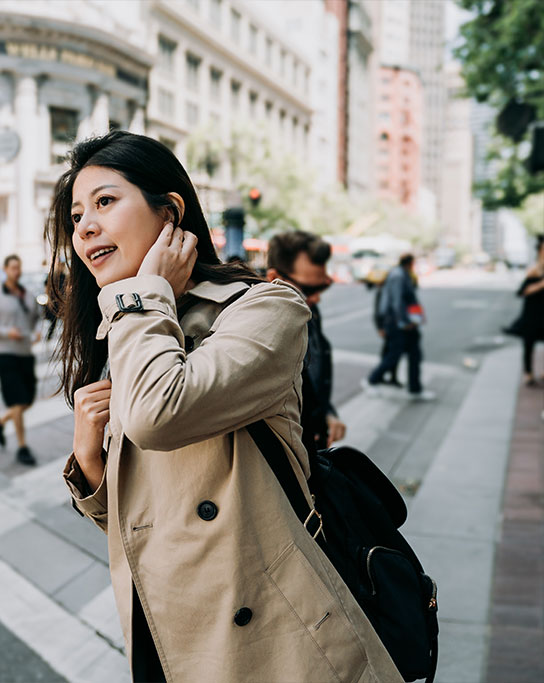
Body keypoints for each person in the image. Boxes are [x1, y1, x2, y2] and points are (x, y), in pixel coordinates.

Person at [52, 131, 402, 682]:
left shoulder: (263, 308)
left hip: (272, 643)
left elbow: (157, 416)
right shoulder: (130, 327)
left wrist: (142, 297)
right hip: (164, 641)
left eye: (105, 202)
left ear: (170, 212)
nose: (86, 227)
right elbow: (153, 525)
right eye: (76, 215)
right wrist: (90, 465)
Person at [266, 231, 346, 455]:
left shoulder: (309, 309)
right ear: (274, 277)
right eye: (309, 289)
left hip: (313, 441)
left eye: (324, 286)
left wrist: (327, 414)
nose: (317, 298)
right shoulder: (260, 328)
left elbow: (310, 378)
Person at [0, 254, 41, 467]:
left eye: (19, 267)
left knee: (28, 401)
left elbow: (38, 317)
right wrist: (7, 332)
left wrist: (37, 331)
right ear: (5, 269)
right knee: (18, 401)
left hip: (26, 354)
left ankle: (0, 422)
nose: (16, 271)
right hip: (7, 355)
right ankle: (22, 446)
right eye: (13, 267)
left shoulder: (27, 295)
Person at [362, 253, 435, 400]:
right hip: (398, 323)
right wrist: (405, 321)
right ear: (410, 263)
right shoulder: (398, 276)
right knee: (394, 355)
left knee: (414, 355)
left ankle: (415, 389)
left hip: (404, 323)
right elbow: (396, 302)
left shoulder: (402, 274)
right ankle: (371, 380)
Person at [515, 239, 544, 386]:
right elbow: (521, 292)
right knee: (528, 344)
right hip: (532, 314)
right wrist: (540, 284)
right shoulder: (534, 271)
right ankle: (528, 373)